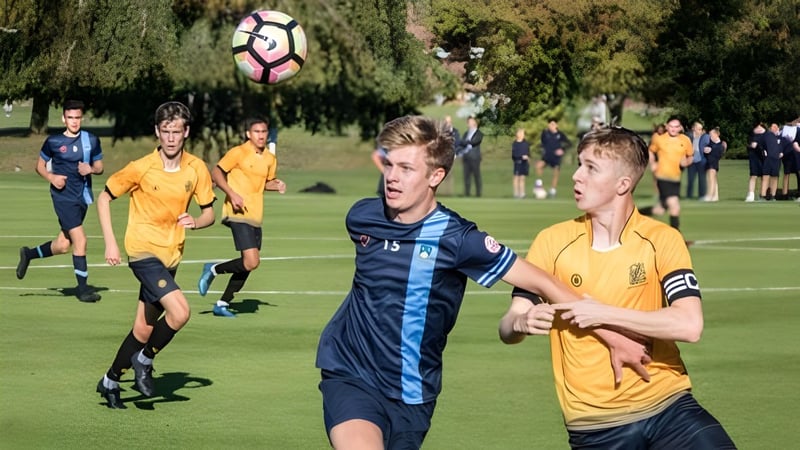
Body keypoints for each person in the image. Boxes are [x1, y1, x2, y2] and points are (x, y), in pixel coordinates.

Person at [314, 115, 649, 450]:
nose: (392, 177)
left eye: (406, 168)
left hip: (413, 392)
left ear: (435, 176)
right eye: (389, 165)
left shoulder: (460, 240)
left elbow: (543, 282)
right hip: (349, 372)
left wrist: (613, 336)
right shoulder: (363, 216)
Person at [499, 126, 736, 449]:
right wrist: (521, 322)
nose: (576, 176)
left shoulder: (662, 239)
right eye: (579, 164)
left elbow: (689, 325)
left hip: (670, 406)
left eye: (591, 168)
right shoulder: (551, 242)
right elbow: (508, 326)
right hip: (597, 425)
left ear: (623, 184)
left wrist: (603, 314)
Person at [95, 101, 216, 409]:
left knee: (143, 329)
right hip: (142, 252)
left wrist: (196, 221)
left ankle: (110, 380)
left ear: (186, 132)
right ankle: (145, 359)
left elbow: (209, 213)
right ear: (157, 132)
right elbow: (104, 198)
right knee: (181, 312)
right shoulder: (141, 167)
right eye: (165, 131)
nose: (171, 138)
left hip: (170, 257)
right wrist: (110, 243)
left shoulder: (196, 168)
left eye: (176, 131)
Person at [197, 117, 286, 317]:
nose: (261, 135)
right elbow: (216, 173)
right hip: (237, 213)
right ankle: (212, 269)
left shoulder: (270, 159)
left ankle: (222, 304)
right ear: (248, 134)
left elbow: (265, 183)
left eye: (264, 132)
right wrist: (232, 193)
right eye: (257, 132)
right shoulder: (238, 152)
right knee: (252, 261)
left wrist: (277, 185)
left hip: (255, 214)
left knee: (248, 264)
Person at [16, 99, 104, 303]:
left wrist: (90, 169)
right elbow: (39, 166)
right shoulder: (53, 142)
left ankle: (29, 254)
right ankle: (83, 290)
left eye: (77, 117)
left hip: (82, 197)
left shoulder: (91, 140)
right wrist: (52, 177)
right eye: (70, 117)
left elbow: (99, 167)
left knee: (63, 245)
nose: (74, 121)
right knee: (80, 240)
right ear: (64, 118)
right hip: (63, 198)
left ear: (82, 118)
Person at [645, 115, 693, 230]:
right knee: (674, 206)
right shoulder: (659, 139)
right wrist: (653, 164)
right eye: (671, 126)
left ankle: (635, 215)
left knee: (660, 210)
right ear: (667, 126)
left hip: (676, 179)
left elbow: (690, 156)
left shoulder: (685, 140)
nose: (673, 129)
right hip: (662, 177)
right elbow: (650, 151)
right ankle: (676, 235)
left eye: (676, 127)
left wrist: (686, 163)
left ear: (680, 128)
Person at [536, 118, 571, 198]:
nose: (552, 126)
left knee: (556, 173)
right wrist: (542, 149)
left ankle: (553, 190)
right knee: (538, 166)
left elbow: (568, 143)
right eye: (550, 124)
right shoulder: (545, 133)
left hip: (556, 157)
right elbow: (542, 142)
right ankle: (539, 186)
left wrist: (562, 149)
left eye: (553, 124)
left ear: (556, 125)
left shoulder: (560, 134)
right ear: (548, 125)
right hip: (547, 156)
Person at [458, 116, 483, 197]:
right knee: (466, 176)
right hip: (466, 157)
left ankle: (478, 193)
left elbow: (475, 142)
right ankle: (467, 193)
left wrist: (466, 142)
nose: (469, 123)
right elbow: (462, 143)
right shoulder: (466, 133)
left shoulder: (478, 133)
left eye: (471, 121)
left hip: (475, 157)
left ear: (475, 122)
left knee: (476, 175)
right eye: (468, 122)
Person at [685, 121, 709, 200]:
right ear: (694, 128)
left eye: (701, 129)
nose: (700, 130)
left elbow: (710, 145)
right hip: (691, 161)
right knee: (690, 179)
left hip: (701, 161)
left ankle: (702, 196)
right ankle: (689, 196)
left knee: (702, 179)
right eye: (698, 128)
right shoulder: (688, 136)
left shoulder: (705, 137)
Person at [702, 127, 727, 202]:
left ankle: (709, 195)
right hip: (708, 162)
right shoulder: (710, 143)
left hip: (713, 163)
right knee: (712, 179)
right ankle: (715, 196)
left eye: (711, 134)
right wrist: (705, 150)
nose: (710, 136)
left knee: (711, 179)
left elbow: (719, 153)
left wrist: (711, 149)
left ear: (716, 134)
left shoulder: (720, 145)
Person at [744, 122, 766, 202]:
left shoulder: (766, 134)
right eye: (757, 127)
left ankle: (762, 194)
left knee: (764, 176)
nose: (758, 128)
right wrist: (752, 145)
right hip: (754, 157)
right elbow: (750, 145)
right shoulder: (752, 134)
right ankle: (751, 194)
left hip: (763, 157)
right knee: (753, 175)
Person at [511, 128, 531, 198]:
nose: (522, 135)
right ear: (517, 134)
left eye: (523, 133)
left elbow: (528, 153)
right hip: (517, 162)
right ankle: (516, 193)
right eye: (520, 133)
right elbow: (514, 154)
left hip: (524, 163)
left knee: (522, 178)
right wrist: (521, 156)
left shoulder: (526, 143)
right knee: (516, 178)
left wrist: (528, 158)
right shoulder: (515, 144)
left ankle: (522, 193)